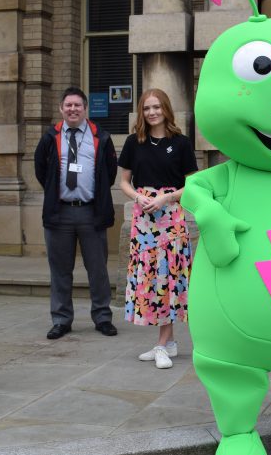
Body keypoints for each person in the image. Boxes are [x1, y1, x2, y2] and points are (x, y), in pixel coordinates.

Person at [117, 89, 198, 368]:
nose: (152, 113)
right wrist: (138, 196)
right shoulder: (133, 142)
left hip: (172, 217)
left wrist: (167, 197)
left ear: (166, 109)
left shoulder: (182, 143)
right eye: (147, 108)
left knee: (168, 277)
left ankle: (162, 345)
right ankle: (170, 343)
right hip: (144, 220)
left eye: (156, 107)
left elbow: (193, 185)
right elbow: (124, 181)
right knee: (150, 279)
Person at [34, 87, 119, 339]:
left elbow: (110, 172)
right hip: (59, 214)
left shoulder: (100, 136)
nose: (73, 109)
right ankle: (61, 319)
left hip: (91, 213)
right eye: (68, 105)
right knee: (60, 270)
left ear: (85, 109)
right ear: (61, 109)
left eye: (77, 105)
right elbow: (41, 170)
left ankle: (102, 317)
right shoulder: (50, 137)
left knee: (98, 270)